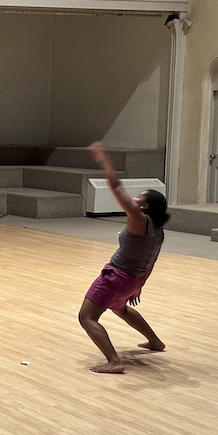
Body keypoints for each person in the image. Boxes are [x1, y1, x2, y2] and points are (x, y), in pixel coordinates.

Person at [78, 142, 169, 373]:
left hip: (116, 277)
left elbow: (116, 187)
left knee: (87, 317)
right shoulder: (158, 230)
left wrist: (103, 159)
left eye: (139, 198)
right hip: (132, 281)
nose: (135, 200)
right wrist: (139, 286)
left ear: (145, 206)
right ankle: (155, 342)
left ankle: (114, 362)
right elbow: (152, 261)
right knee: (121, 309)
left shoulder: (139, 220)